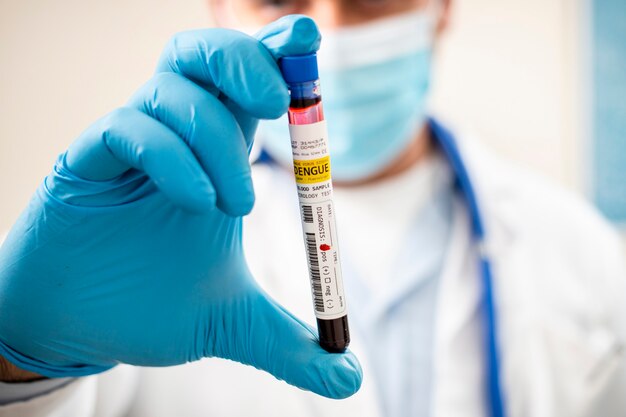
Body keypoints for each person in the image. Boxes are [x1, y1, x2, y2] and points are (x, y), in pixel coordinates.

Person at [1, 1, 625, 416]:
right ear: (222, 9)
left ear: (442, 9)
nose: (331, 25)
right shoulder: (147, 233)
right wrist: (21, 362)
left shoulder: (584, 254)